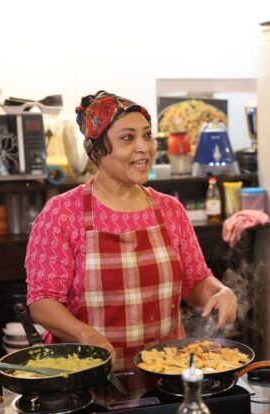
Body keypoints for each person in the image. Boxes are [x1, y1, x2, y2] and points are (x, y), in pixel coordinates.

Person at [25, 90, 237, 369]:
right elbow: (42, 302)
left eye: (147, 136)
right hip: (91, 373)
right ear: (97, 150)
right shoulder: (62, 213)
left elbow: (195, 281)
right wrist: (85, 335)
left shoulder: (170, 210)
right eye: (128, 138)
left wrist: (220, 292)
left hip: (165, 372)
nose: (144, 147)